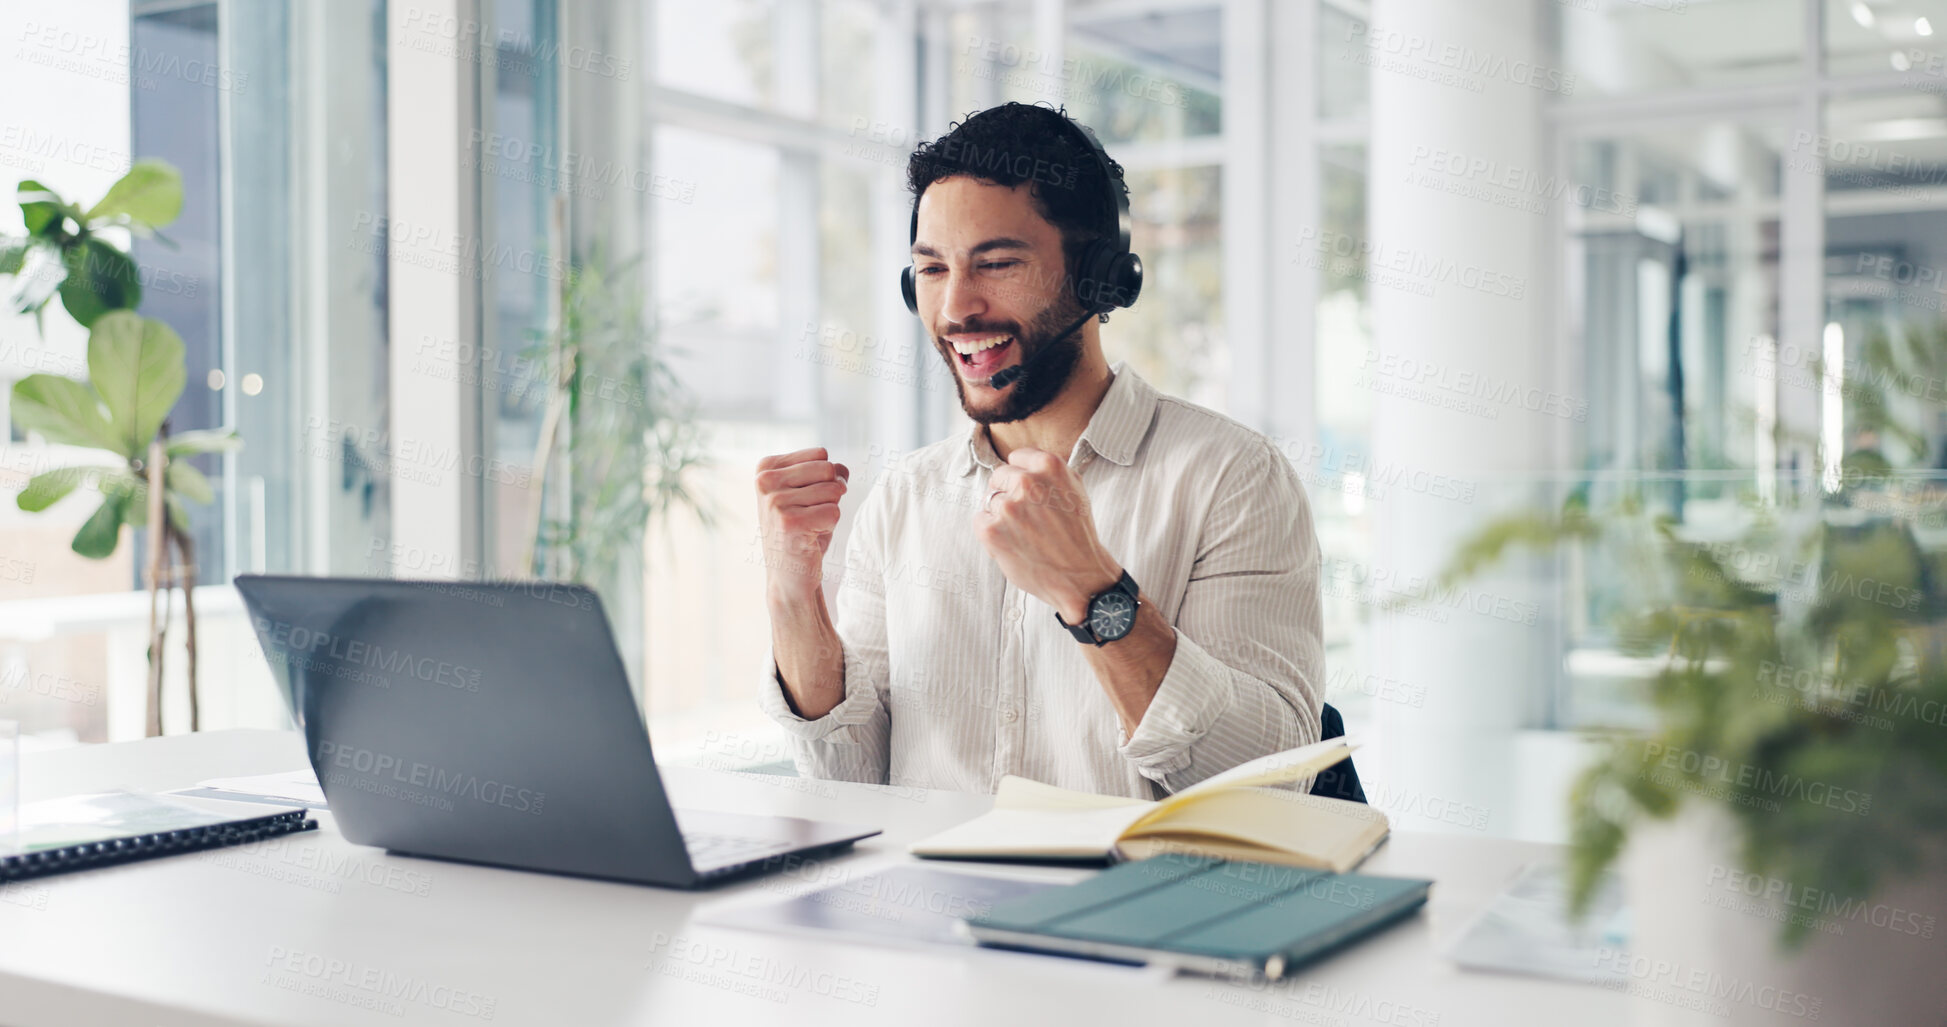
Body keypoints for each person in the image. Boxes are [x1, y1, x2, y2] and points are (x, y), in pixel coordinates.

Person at [754, 102, 1322, 799]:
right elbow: (850, 778)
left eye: (995, 263)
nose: (956, 308)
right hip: (930, 903)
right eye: (930, 271)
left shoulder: (1230, 477)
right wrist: (792, 593)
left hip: (1129, 899)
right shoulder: (903, 497)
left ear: (1098, 278)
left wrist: (1093, 592)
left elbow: (1266, 785)